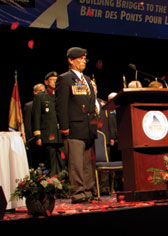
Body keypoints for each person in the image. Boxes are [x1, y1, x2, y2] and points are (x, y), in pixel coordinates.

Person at [55, 47, 98, 203]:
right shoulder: (64, 79)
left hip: (88, 128)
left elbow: (91, 104)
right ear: (70, 60)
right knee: (76, 164)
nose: (82, 61)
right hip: (73, 127)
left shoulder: (87, 79)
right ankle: (78, 192)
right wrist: (64, 126)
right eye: (79, 59)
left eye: (84, 59)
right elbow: (61, 104)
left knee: (87, 163)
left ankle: (88, 190)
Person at [32, 72, 65, 175]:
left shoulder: (62, 95)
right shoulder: (40, 96)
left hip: (61, 134)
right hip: (48, 135)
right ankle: (53, 184)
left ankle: (62, 182)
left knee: (62, 161)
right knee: (51, 162)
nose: (55, 82)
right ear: (46, 82)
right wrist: (38, 136)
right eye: (52, 80)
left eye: (56, 80)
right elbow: (36, 116)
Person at [24, 83, 45, 169]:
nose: (42, 93)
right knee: (36, 164)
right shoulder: (29, 106)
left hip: (47, 138)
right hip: (34, 140)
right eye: (40, 91)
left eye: (44, 91)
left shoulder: (49, 103)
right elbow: (28, 124)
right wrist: (31, 139)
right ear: (34, 92)